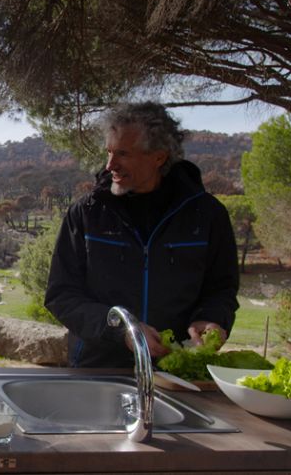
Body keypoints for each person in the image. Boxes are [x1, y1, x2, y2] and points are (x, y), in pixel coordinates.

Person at [45, 101, 239, 368]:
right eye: (109, 152)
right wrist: (122, 330)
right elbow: (61, 295)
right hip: (98, 369)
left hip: (178, 370)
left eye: (123, 154)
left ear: (159, 157)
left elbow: (222, 289)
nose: (110, 164)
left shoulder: (208, 216)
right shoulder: (86, 213)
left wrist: (212, 318)